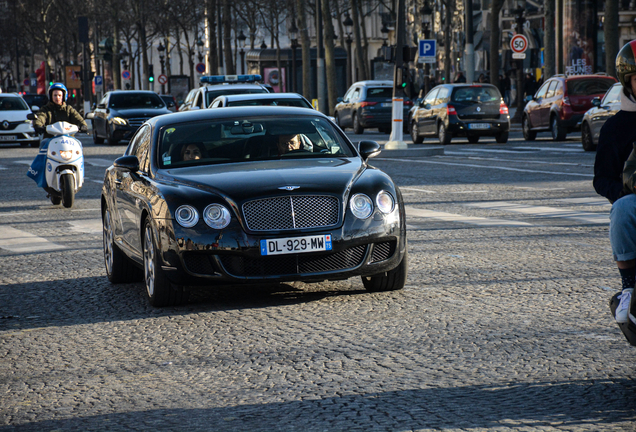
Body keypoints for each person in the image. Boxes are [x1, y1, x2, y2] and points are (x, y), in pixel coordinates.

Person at [593, 40, 636, 325]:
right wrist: (619, 193)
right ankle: (629, 285)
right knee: (622, 211)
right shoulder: (615, 127)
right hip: (634, 201)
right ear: (628, 82)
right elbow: (601, 179)